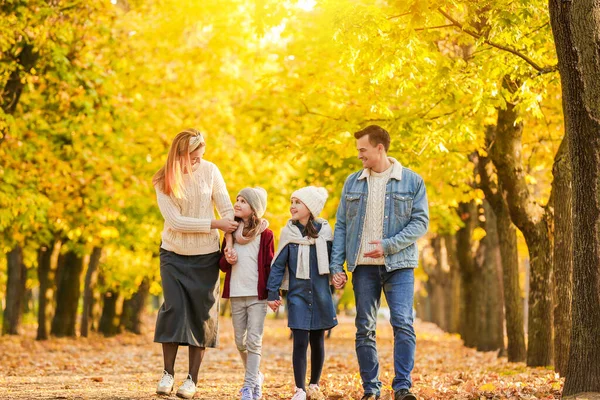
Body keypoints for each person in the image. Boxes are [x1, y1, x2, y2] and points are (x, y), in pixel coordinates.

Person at [330, 125, 429, 400]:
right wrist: (336, 266)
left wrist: (387, 246)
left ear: (379, 148)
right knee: (364, 327)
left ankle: (402, 387)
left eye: (363, 150)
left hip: (399, 265)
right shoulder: (352, 182)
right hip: (362, 267)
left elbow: (420, 223)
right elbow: (342, 226)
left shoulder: (412, 181)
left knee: (403, 323)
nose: (359, 155)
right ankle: (371, 389)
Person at [153, 129, 238, 399]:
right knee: (174, 309)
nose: (197, 163)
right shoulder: (162, 179)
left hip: (206, 256)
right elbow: (176, 222)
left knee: (202, 315)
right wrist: (213, 224)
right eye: (193, 158)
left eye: (200, 157)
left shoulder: (211, 171)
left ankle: (192, 379)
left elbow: (227, 210)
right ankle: (167, 373)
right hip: (173, 253)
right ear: (179, 155)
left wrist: (229, 240)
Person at [266, 187, 337, 400]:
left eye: (298, 202)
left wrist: (338, 275)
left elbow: (335, 260)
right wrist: (272, 292)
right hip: (297, 295)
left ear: (311, 207)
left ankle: (314, 384)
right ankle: (299, 388)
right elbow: (278, 264)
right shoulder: (288, 233)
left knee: (318, 340)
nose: (292, 206)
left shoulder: (325, 232)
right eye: (291, 201)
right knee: (299, 341)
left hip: (321, 294)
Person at [219, 187, 274, 400]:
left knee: (254, 341)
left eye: (244, 201)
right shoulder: (230, 232)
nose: (238, 203)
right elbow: (222, 265)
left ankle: (250, 386)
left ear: (254, 209)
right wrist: (228, 259)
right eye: (237, 199)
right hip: (236, 294)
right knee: (240, 341)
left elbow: (269, 265)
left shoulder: (266, 234)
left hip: (257, 295)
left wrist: (273, 293)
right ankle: (256, 375)